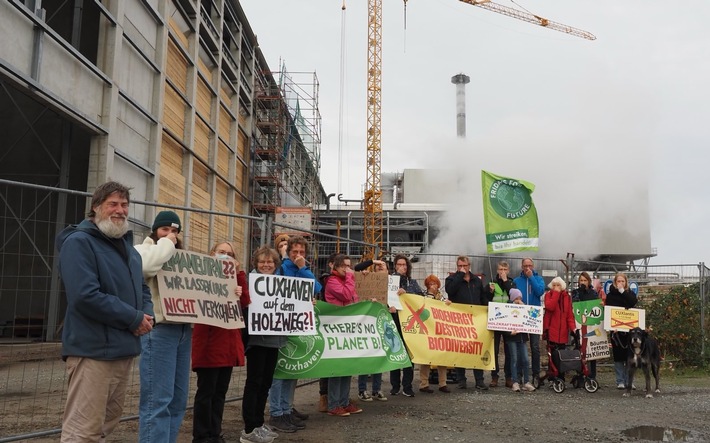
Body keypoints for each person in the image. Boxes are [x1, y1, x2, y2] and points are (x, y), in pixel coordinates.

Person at [56, 181, 154, 442]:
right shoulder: (79, 243)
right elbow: (85, 296)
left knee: (105, 427)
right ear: (96, 207)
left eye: (124, 204)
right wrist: (134, 318)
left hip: (123, 350)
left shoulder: (129, 251)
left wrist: (146, 314)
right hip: (93, 352)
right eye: (112, 204)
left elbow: (142, 289)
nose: (120, 210)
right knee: (82, 431)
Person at [134, 210, 190, 443]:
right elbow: (146, 267)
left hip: (183, 330)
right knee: (158, 400)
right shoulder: (141, 250)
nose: (170, 234)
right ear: (155, 231)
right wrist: (167, 244)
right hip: (159, 331)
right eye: (165, 229)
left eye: (175, 231)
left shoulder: (182, 259)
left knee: (178, 400)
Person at [192, 241, 250, 443]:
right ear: (212, 254)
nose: (225, 256)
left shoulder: (236, 278)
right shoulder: (201, 276)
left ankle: (215, 433)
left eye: (230, 254)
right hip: (209, 343)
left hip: (227, 344)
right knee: (206, 393)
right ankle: (201, 436)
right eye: (222, 252)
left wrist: (239, 275)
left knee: (219, 393)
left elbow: (245, 303)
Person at [268, 236, 322, 433]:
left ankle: (286, 409)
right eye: (294, 252)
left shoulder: (302, 269)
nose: (298, 255)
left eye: (302, 252)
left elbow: (316, 288)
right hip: (280, 325)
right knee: (279, 372)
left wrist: (303, 268)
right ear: (288, 252)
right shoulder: (281, 268)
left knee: (291, 370)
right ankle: (277, 412)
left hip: (297, 325)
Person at [240, 247, 283, 443]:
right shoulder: (250, 283)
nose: (266, 265)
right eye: (262, 262)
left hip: (274, 340)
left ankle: (258, 423)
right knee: (254, 382)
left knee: (265, 383)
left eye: (270, 262)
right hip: (257, 340)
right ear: (256, 264)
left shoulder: (282, 284)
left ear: (276, 265)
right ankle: (249, 428)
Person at [445, 255, 493, 390]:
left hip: (475, 320)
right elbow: (450, 290)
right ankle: (461, 380)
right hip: (459, 320)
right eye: (460, 266)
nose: (462, 268)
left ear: (469, 265)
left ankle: (479, 380)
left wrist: (489, 296)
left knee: (477, 349)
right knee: (460, 349)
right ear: (457, 266)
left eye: (464, 266)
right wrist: (459, 275)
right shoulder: (451, 279)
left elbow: (482, 297)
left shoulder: (476, 280)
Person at [324, 254, 363, 416]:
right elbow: (346, 296)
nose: (348, 270)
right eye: (344, 267)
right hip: (336, 328)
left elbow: (354, 299)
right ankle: (333, 404)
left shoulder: (345, 280)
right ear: (336, 268)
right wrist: (349, 277)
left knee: (347, 367)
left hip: (347, 328)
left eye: (349, 266)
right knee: (337, 369)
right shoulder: (332, 281)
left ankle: (344, 401)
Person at [389, 254, 422, 397]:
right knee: (396, 353)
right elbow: (386, 297)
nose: (402, 267)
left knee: (409, 356)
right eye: (399, 264)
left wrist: (406, 292)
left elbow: (420, 297)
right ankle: (394, 386)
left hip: (408, 324)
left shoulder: (412, 282)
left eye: (404, 265)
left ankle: (407, 386)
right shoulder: (390, 281)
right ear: (395, 266)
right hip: (395, 320)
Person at [357, 258, 389, 402]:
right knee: (366, 357)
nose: (381, 269)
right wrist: (372, 262)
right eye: (379, 268)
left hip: (381, 323)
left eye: (384, 268)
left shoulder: (391, 284)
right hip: (367, 324)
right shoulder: (367, 279)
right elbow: (357, 268)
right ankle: (362, 390)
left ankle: (376, 389)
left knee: (379, 357)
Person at [513, 258, 546, 386]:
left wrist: (531, 277)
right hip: (520, 317)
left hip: (533, 317)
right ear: (521, 266)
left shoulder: (538, 279)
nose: (527, 268)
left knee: (535, 346)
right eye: (525, 265)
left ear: (533, 266)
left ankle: (536, 374)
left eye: (529, 265)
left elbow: (539, 292)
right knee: (521, 346)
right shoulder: (516, 281)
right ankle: (520, 374)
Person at [605, 272, 638, 389]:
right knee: (618, 356)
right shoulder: (610, 295)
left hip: (629, 331)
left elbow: (633, 302)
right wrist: (612, 326)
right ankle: (620, 381)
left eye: (622, 281)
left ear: (626, 282)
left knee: (629, 355)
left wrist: (623, 292)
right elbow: (609, 311)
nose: (620, 283)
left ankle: (629, 380)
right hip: (616, 331)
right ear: (615, 282)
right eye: (618, 281)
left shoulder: (630, 294)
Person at [418, 274, 450, 394]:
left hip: (440, 330)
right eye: (430, 284)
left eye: (435, 284)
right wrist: (431, 294)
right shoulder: (425, 296)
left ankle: (443, 383)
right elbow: (427, 305)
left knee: (442, 356)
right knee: (426, 357)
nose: (433, 286)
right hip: (428, 329)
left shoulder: (441, 297)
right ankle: (424, 383)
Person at [543, 277, 577, 385]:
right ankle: (552, 376)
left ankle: (560, 376)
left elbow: (569, 315)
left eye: (558, 285)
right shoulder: (548, 295)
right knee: (552, 355)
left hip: (562, 332)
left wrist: (573, 328)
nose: (556, 287)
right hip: (551, 330)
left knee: (561, 355)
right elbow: (550, 306)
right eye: (554, 285)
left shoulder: (567, 297)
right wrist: (556, 294)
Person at [488, 260, 516, 388]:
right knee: (494, 350)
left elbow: (513, 295)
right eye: (500, 269)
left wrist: (505, 281)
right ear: (497, 270)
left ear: (508, 271)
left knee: (508, 350)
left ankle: (508, 377)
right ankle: (494, 376)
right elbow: (485, 299)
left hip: (508, 320)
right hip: (495, 320)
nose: (502, 272)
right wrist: (490, 292)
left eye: (505, 270)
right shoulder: (491, 283)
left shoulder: (511, 283)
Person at [570, 271, 599, 381]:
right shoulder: (575, 292)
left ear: (589, 281)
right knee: (580, 348)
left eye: (585, 280)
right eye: (581, 280)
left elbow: (597, 306)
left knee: (592, 349)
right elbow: (574, 304)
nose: (583, 282)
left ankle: (592, 376)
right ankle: (581, 375)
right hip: (579, 324)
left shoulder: (593, 292)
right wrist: (580, 292)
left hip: (591, 324)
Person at [506, 288, 535, 392]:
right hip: (512, 337)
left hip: (522, 337)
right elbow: (502, 322)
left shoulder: (523, 307)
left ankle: (526, 381)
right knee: (514, 359)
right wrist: (509, 333)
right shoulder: (507, 307)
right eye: (516, 298)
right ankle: (515, 382)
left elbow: (529, 319)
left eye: (520, 298)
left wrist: (524, 308)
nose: (518, 300)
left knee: (526, 360)